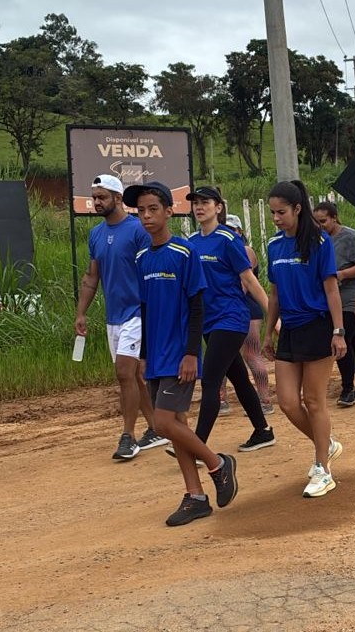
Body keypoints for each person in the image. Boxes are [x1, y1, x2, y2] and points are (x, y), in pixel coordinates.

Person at [122, 181, 238, 527]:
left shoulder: (185, 252)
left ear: (169, 212)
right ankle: (196, 496)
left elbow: (197, 306)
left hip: (179, 354)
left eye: (153, 209)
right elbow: (144, 308)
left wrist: (191, 354)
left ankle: (218, 464)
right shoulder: (142, 257)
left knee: (162, 423)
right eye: (141, 211)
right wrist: (144, 355)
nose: (146, 216)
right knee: (177, 426)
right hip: (156, 355)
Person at [262, 181, 346, 498]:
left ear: (297, 209)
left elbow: (331, 289)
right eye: (272, 213)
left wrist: (338, 331)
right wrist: (268, 332)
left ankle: (323, 469)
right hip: (289, 329)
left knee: (313, 401)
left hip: (318, 326)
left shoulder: (319, 242)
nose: (276, 218)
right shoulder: (274, 246)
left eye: (281, 212)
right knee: (287, 402)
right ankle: (327, 444)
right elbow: (274, 294)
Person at [75, 174, 167, 461]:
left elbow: (152, 269)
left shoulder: (138, 230)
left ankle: (128, 437)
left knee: (124, 373)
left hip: (137, 313)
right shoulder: (96, 234)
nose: (97, 202)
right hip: (113, 317)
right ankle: (157, 427)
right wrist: (81, 313)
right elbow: (92, 276)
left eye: (102, 197)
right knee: (134, 376)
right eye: (94, 197)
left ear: (117, 198)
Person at [184, 187, 275, 454]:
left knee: (210, 381)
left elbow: (249, 280)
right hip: (208, 321)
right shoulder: (192, 241)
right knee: (239, 378)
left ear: (218, 207)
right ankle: (263, 431)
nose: (199, 207)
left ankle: (197, 446)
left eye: (205, 202)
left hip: (231, 318)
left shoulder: (228, 239)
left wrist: (274, 317)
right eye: (196, 203)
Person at [313, 202, 355, 408]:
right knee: (354, 340)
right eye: (316, 222)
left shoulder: (350, 237)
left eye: (323, 221)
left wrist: (342, 274)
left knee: (342, 338)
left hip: (352, 297)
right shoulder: (318, 240)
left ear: (334, 218)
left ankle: (348, 389)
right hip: (331, 298)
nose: (320, 226)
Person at [224, 214, 274, 415]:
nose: (229, 233)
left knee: (251, 354)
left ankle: (264, 400)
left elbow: (244, 283)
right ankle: (221, 399)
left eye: (232, 229)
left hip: (245, 310)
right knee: (222, 356)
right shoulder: (224, 248)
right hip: (232, 310)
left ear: (240, 231)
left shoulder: (245, 250)